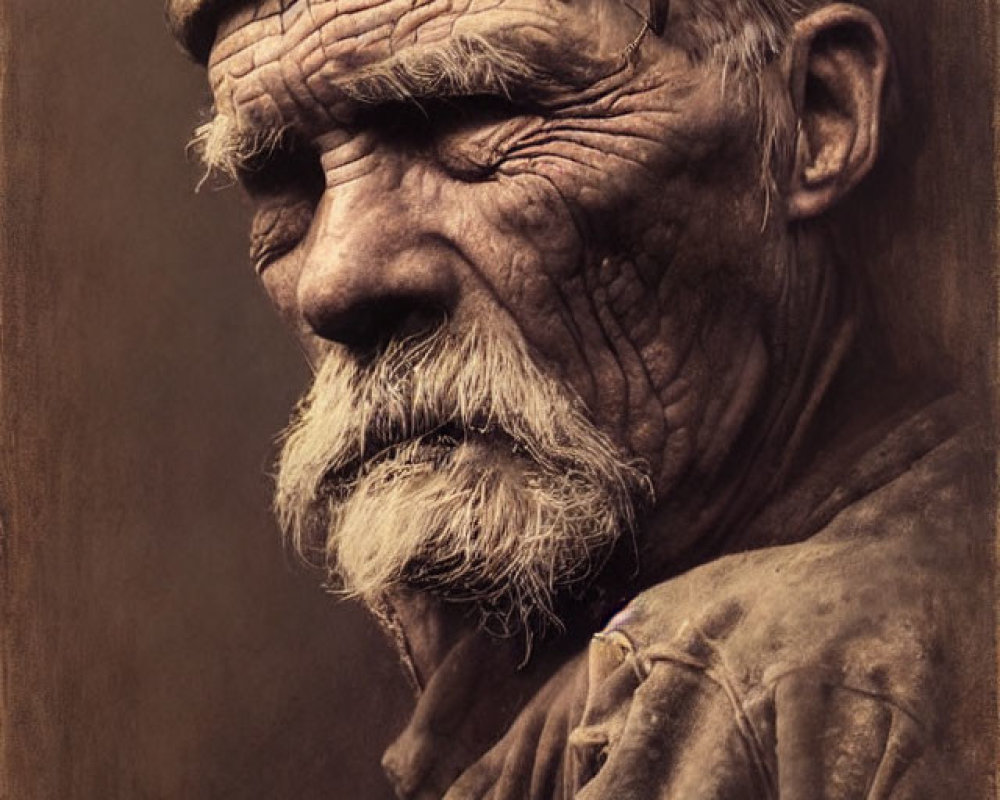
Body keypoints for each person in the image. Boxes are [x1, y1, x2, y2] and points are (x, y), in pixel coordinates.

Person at [166, 0, 995, 796]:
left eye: (471, 113)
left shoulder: (784, 693)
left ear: (814, 116)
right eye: (283, 181)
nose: (334, 278)